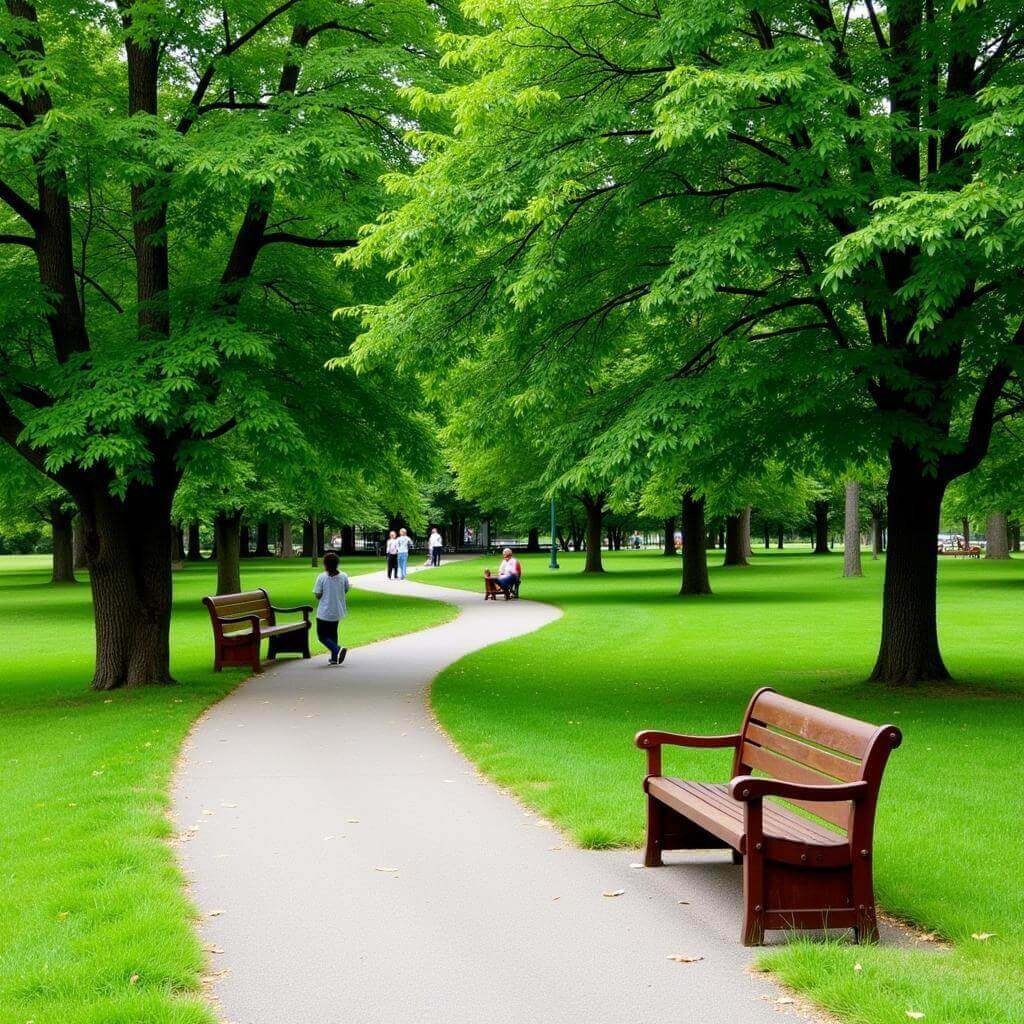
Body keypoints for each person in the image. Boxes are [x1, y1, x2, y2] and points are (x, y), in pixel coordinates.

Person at [313, 551, 350, 666]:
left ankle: (337, 649)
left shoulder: (322, 577)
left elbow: (318, 594)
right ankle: (334, 658)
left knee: (322, 636)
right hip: (337, 611)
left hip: (324, 612)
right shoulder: (343, 576)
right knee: (333, 634)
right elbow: (346, 589)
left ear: (325, 564)